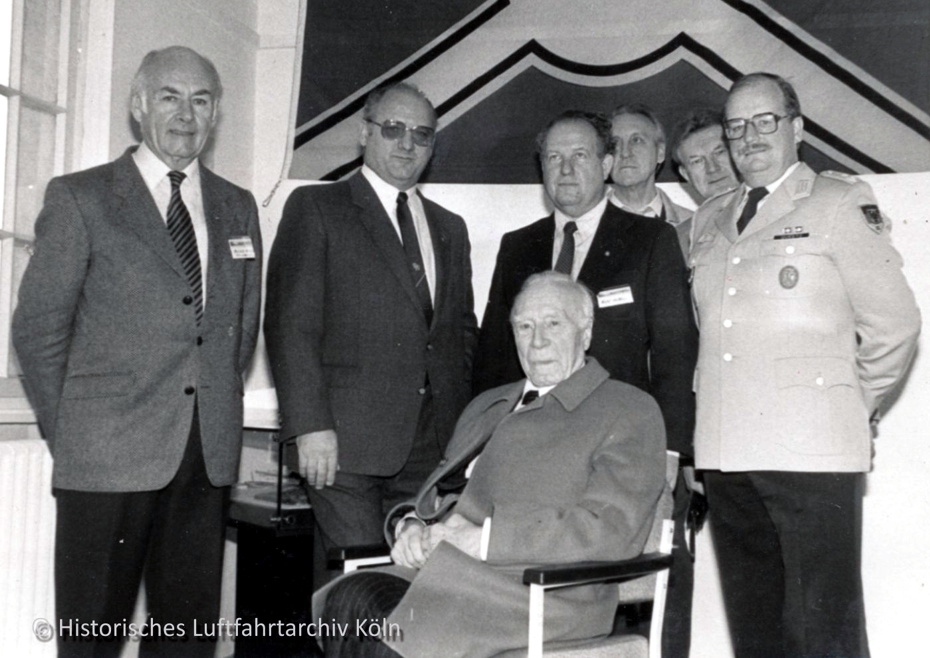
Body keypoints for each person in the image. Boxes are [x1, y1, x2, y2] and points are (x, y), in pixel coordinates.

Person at [12, 46, 263, 656]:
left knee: (186, 639)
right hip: (106, 454)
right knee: (92, 635)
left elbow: (240, 328)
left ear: (215, 114)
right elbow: (38, 329)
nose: (185, 114)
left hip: (204, 456)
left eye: (200, 100)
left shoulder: (238, 206)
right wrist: (71, 429)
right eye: (170, 97)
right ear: (138, 105)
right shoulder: (83, 198)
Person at [315, 272, 667, 658]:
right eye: (524, 326)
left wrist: (482, 540)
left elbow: (611, 530)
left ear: (585, 333)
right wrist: (411, 526)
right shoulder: (487, 404)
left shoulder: (627, 409)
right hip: (449, 579)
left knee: (386, 627)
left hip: (539, 596)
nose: (537, 341)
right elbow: (437, 497)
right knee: (350, 600)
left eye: (553, 323)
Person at [690, 72, 921, 658]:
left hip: (813, 453)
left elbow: (895, 325)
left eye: (765, 121)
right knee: (757, 635)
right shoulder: (707, 218)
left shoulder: (840, 202)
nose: (749, 137)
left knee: (824, 637)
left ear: (797, 128)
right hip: (727, 453)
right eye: (736, 127)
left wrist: (851, 405)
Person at [472, 110, 697, 657]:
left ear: (607, 164)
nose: (566, 169)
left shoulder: (650, 240)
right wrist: (479, 448)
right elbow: (496, 360)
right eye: (553, 157)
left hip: (618, 454)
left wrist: (668, 453)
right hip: (533, 463)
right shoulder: (517, 244)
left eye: (579, 156)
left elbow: (674, 353)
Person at [264, 81, 478, 588]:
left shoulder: (451, 227)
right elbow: (291, 326)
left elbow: (460, 335)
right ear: (364, 133)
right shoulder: (317, 208)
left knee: (418, 592)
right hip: (343, 448)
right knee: (360, 588)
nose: (407, 144)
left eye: (422, 135)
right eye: (394, 129)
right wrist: (309, 426)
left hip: (431, 452)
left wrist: (464, 438)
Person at [609, 103, 692, 224]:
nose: (625, 153)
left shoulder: (693, 227)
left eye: (636, 140)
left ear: (660, 152)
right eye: (615, 143)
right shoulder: (579, 225)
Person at [671, 108, 740, 253]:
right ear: (685, 175)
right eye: (697, 161)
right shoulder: (678, 242)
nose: (712, 168)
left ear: (738, 152)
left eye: (719, 152)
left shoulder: (772, 213)